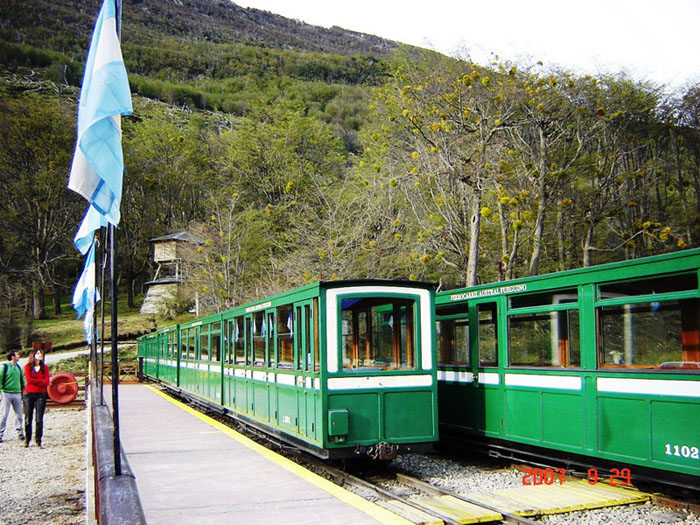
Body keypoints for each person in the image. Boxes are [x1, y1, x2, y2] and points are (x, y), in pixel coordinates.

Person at [24, 348, 50, 448]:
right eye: (38, 353)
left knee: (39, 419)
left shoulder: (45, 368)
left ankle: (38, 440)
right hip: (29, 393)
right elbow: (29, 380)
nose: (40, 355)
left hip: (41, 394)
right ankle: (27, 438)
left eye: (41, 353)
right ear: (33, 355)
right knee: (28, 417)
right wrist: (40, 380)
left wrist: (37, 380)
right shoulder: (27, 367)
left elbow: (47, 381)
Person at [0, 350, 25, 443]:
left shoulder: (19, 367)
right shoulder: (5, 367)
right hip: (6, 393)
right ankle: (0, 434)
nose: (19, 356)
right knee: (4, 415)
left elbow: (22, 379)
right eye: (17, 354)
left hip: (17, 393)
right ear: (12, 356)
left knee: (19, 415)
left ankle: (20, 432)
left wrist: (24, 390)